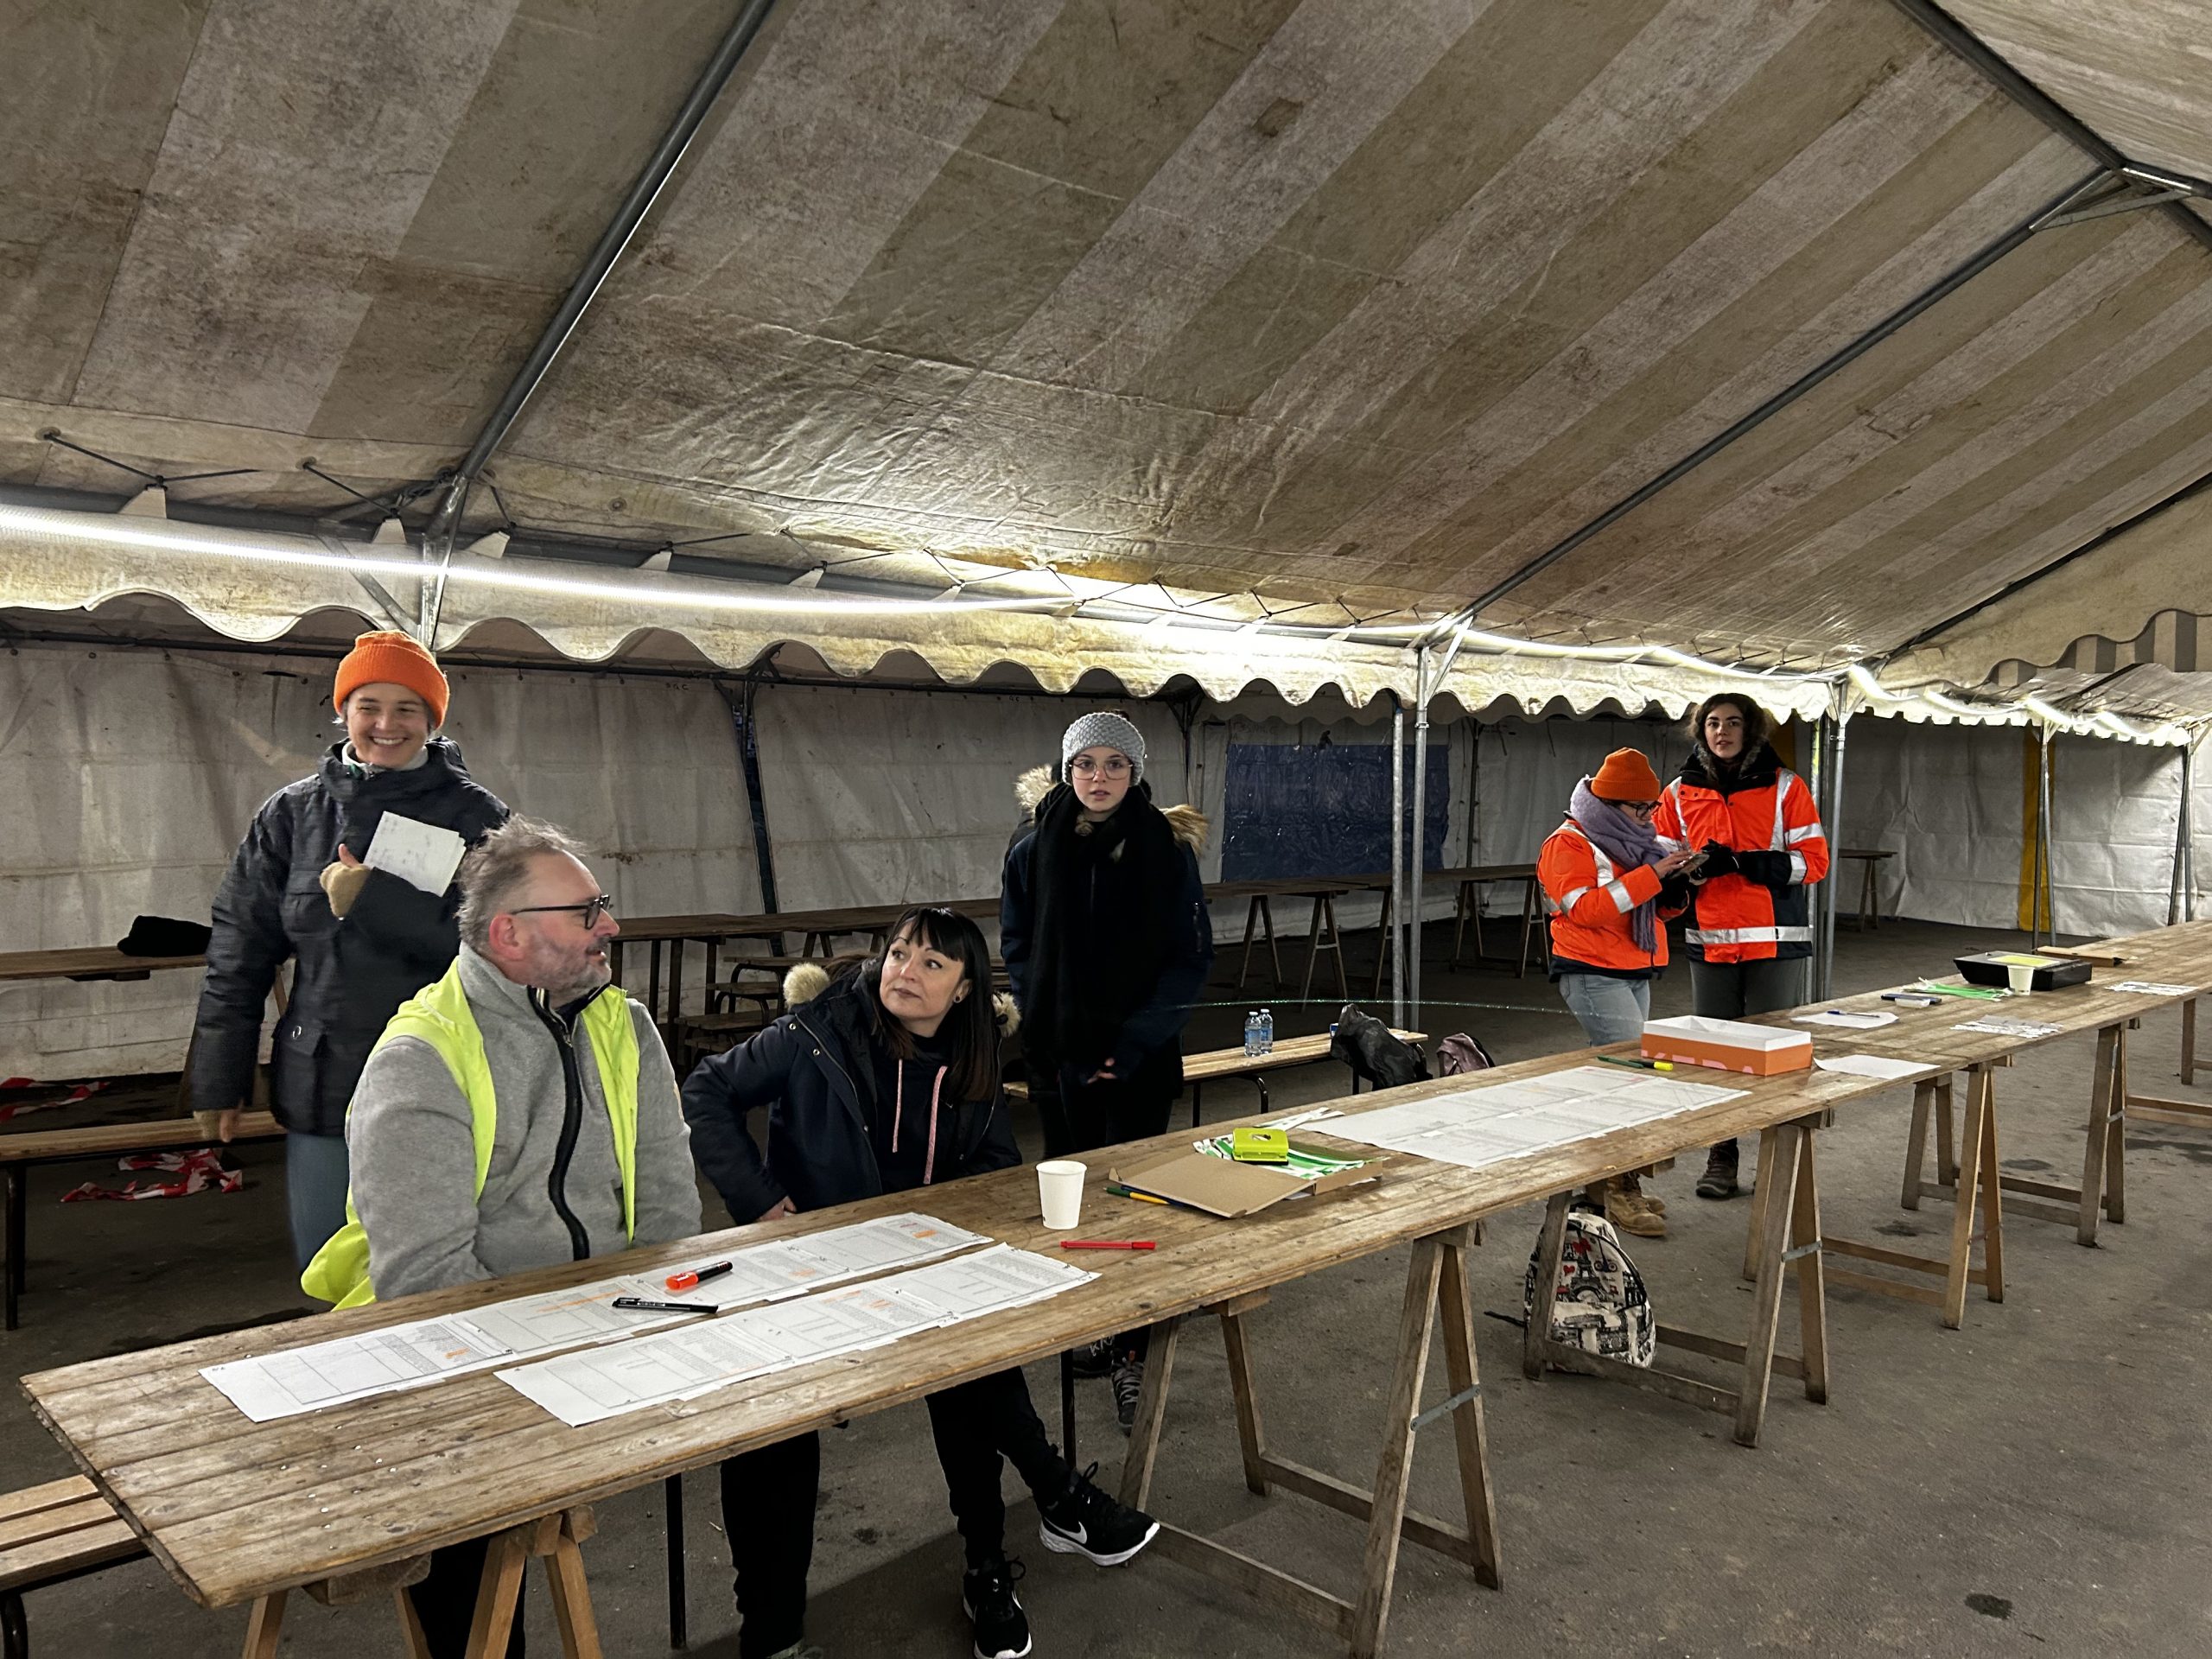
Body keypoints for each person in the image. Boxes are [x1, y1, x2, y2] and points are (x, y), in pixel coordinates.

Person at [683, 907, 1158, 1659]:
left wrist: (961, 1233)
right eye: (900, 953)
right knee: (785, 1421)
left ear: (965, 990)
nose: (905, 971)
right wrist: (762, 1200)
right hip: (819, 1265)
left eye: (932, 963)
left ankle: (989, 1566)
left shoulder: (972, 1055)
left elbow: (994, 1163)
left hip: (922, 1264)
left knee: (973, 1363)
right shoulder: (820, 1031)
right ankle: (1056, 1495)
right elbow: (707, 1091)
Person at [300, 817, 707, 1656]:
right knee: (475, 1547)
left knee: (781, 1413)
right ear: (508, 935)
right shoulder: (421, 1058)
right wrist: (570, 1359)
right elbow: (429, 1285)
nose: (610, 925)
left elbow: (669, 1201)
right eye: (585, 911)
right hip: (456, 1360)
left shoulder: (625, 1025)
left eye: (602, 904)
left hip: (606, 1325)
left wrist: (652, 1329)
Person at [189, 630, 508, 1269]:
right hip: (324, 1073)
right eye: (369, 707)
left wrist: (374, 900)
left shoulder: (477, 817)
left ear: (432, 720)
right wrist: (219, 1076)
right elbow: (239, 948)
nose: (386, 725)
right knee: (329, 1265)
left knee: (437, 1261)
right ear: (344, 713)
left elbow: (501, 945)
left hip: (447, 1070)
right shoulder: (291, 814)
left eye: (407, 709)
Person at [1001, 713, 1211, 1431]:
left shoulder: (1166, 850)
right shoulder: (1032, 848)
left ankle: (1132, 1349)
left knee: (1134, 1201)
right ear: (1068, 771)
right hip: (1062, 1058)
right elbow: (1019, 944)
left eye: (1114, 764)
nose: (1099, 777)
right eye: (1085, 763)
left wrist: (1136, 1041)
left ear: (1135, 773)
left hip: (1140, 1060)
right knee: (1076, 1200)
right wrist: (1053, 1027)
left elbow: (1189, 957)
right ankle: (1094, 1321)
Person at [1654, 696, 1829, 1200]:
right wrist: (1685, 877)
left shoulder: (1786, 787)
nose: (1722, 731)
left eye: (1733, 723)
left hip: (1774, 943)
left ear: (1750, 730)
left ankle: (1779, 1158)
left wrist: (1743, 863)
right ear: (1701, 731)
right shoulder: (1678, 792)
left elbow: (1814, 863)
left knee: (1774, 1057)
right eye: (1712, 723)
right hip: (1709, 941)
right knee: (1715, 1056)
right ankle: (1721, 1155)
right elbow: (1661, 862)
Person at [1539, 748, 1700, 1239]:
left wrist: (1676, 891)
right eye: (1640, 808)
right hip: (1591, 971)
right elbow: (1586, 910)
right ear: (1610, 805)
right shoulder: (1567, 844)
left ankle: (1606, 1184)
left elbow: (1646, 911)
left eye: (1653, 807)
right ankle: (1618, 1185)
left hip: (1632, 968)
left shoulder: (1635, 842)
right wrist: (1653, 877)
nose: (1650, 817)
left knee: (1619, 1078)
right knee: (1630, 1079)